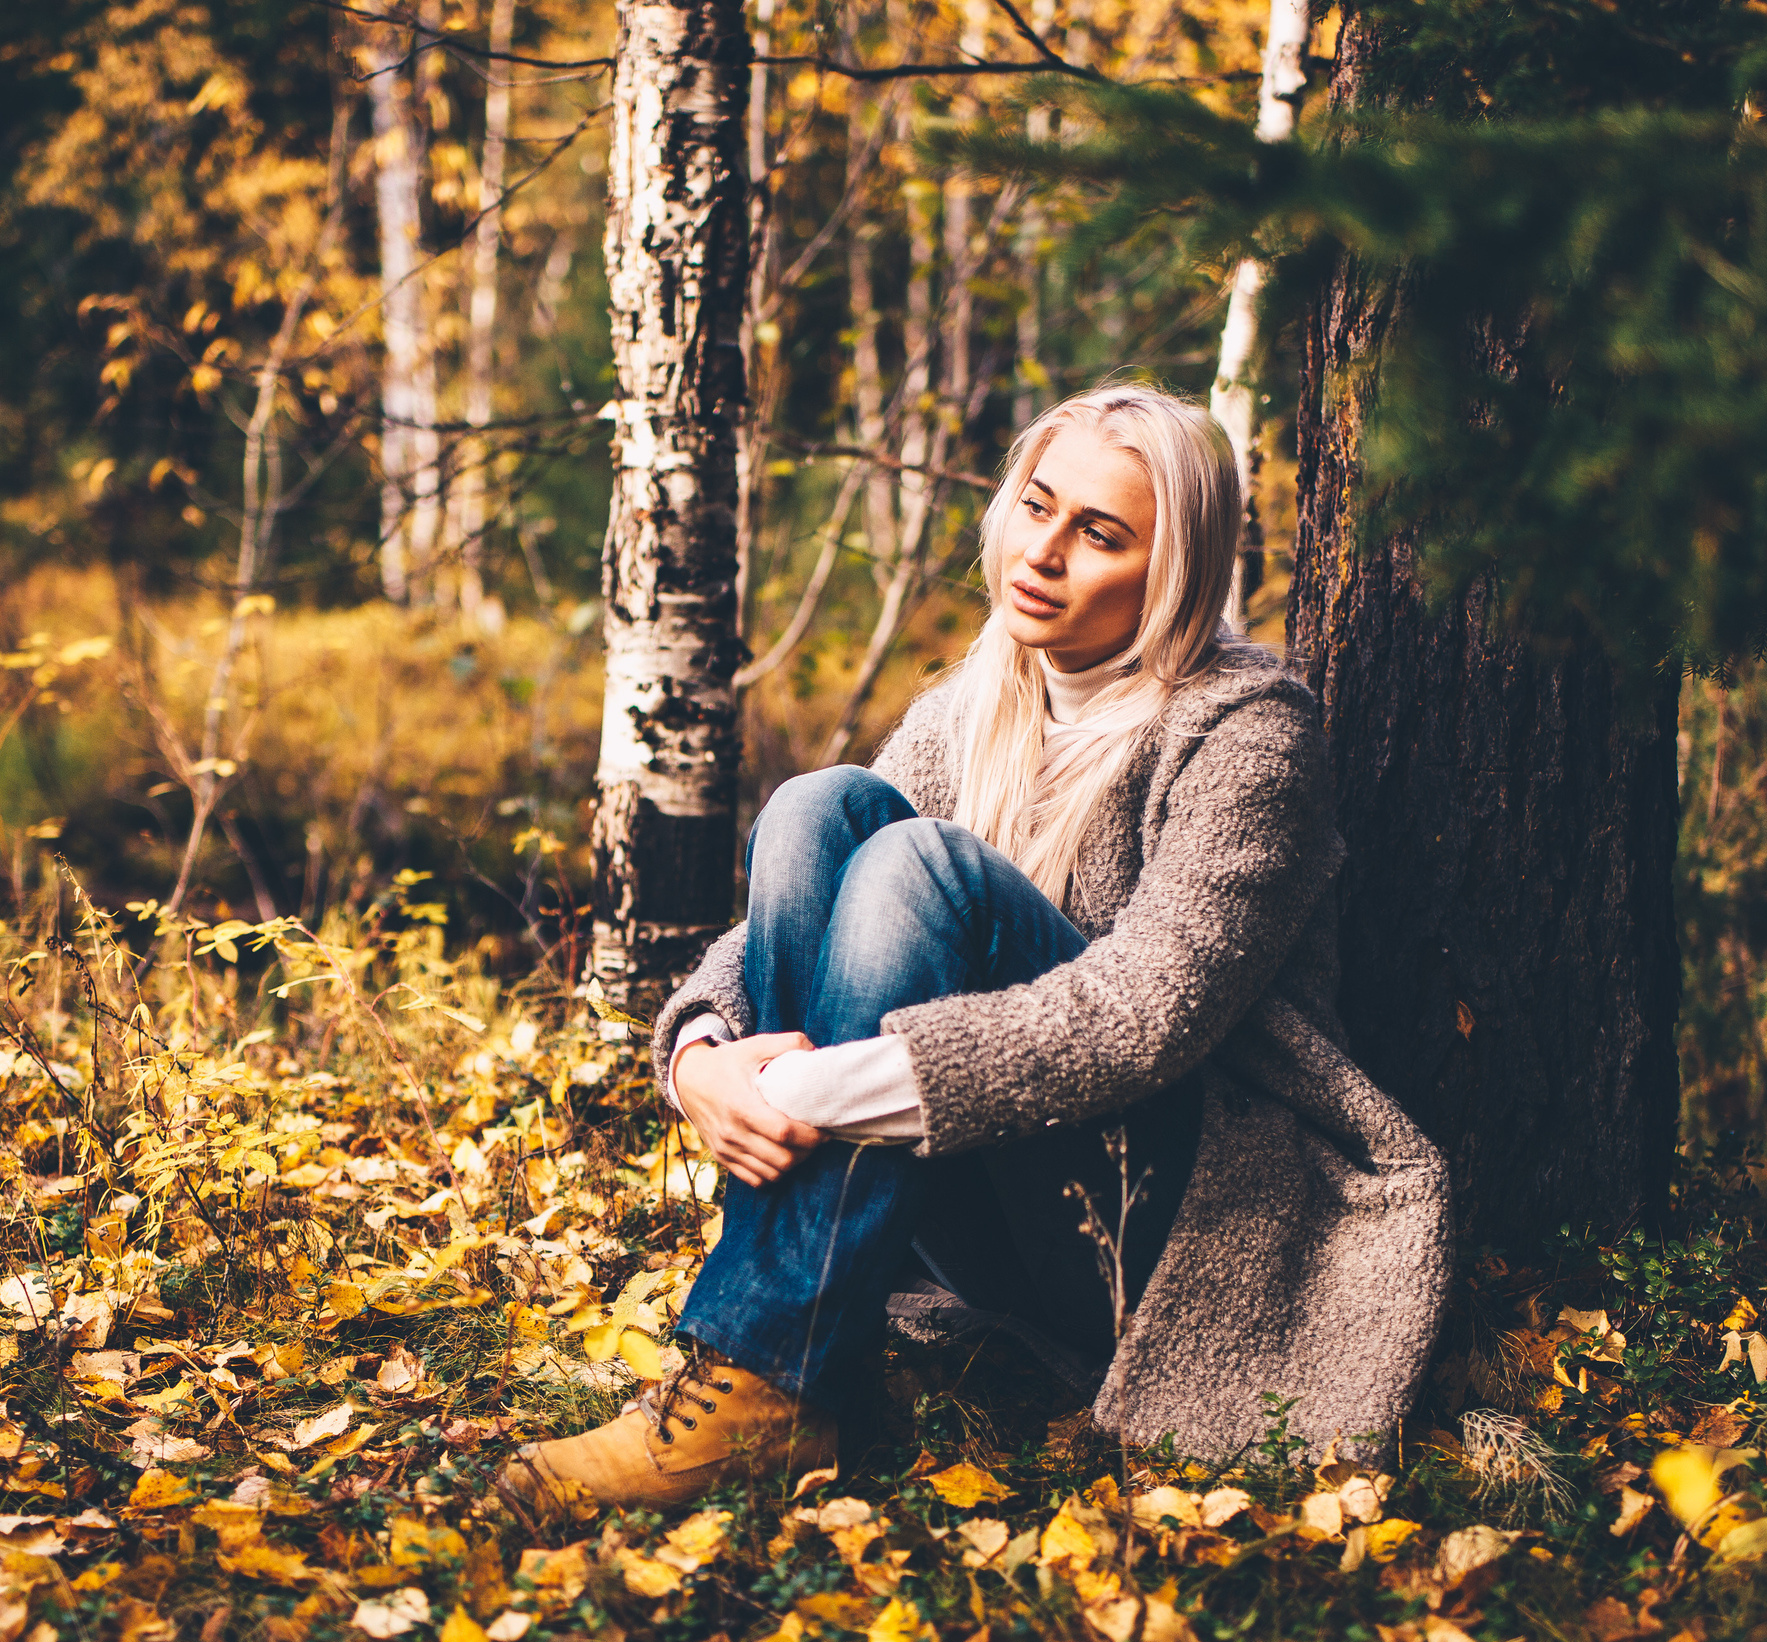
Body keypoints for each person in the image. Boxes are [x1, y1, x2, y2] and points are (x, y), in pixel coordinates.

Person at [498, 382, 1450, 1518]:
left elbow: (1144, 1015)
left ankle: (759, 1375)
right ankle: (785, 1378)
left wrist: (809, 1088)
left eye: (1099, 533)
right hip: (1000, 1194)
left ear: (1174, 572)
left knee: (921, 871)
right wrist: (702, 1049)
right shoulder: (979, 698)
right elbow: (778, 927)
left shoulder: (1248, 736)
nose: (1042, 552)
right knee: (821, 808)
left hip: (1167, 1236)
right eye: (1037, 505)